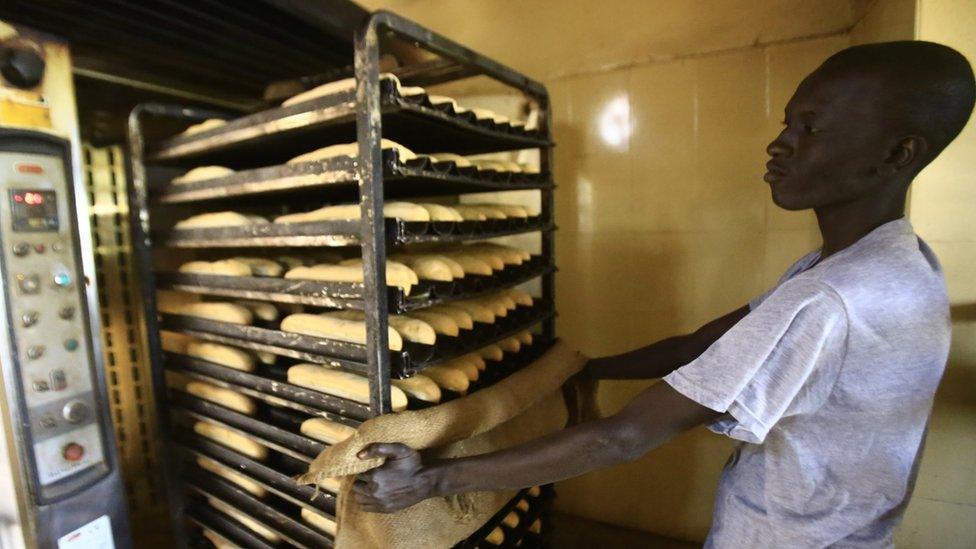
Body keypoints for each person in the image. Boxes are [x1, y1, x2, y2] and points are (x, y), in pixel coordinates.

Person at [351, 41, 974, 547]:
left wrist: (431, 480)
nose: (780, 143)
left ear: (897, 153)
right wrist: (589, 369)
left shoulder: (833, 298)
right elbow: (707, 342)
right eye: (788, 122)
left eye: (810, 127)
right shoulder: (893, 261)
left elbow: (625, 437)